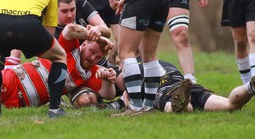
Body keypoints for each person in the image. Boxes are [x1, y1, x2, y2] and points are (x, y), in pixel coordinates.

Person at [108, 56, 255, 115]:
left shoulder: (128, 73)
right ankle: (250, 87)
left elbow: (129, 101)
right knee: (229, 105)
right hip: (181, 83)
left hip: (164, 90)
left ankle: (183, 102)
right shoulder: (157, 60)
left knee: (177, 109)